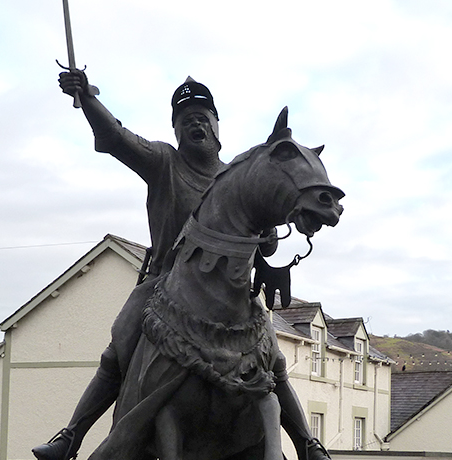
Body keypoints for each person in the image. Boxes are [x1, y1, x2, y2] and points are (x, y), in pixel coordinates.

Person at [32, 71, 329, 460]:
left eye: (202, 117)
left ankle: (306, 442)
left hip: (232, 294)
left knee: (273, 360)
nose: (195, 124)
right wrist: (87, 98)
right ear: (175, 130)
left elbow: (265, 243)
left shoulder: (238, 177)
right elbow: (117, 137)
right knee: (119, 346)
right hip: (165, 286)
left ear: (217, 126)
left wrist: (271, 236)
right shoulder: (163, 162)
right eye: (185, 119)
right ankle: (70, 437)